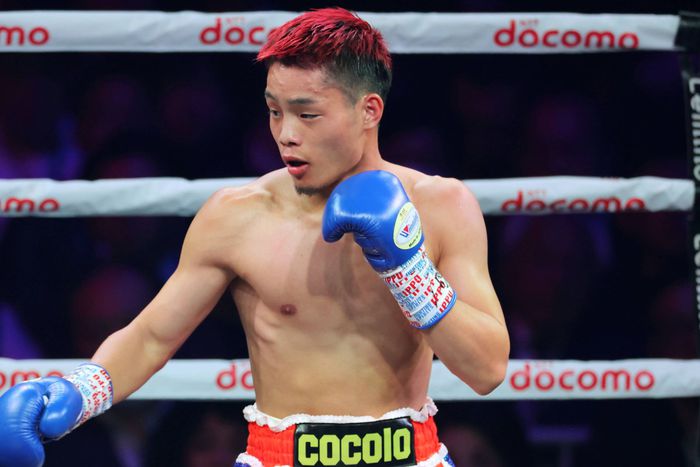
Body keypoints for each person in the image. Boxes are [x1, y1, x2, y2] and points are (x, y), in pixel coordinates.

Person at [0, 8, 509, 467]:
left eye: (307, 114)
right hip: (277, 457)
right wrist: (77, 392)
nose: (286, 134)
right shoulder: (237, 216)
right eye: (274, 110)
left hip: (409, 455)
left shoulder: (441, 206)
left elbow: (486, 369)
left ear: (369, 110)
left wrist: (409, 270)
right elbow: (152, 336)